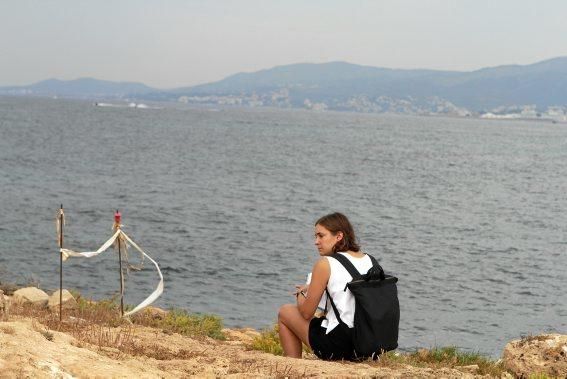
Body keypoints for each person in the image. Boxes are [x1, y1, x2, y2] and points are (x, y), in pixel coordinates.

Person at [277, 212, 374, 360]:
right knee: (324, 318)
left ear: (339, 236)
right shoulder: (369, 260)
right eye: (315, 236)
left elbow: (306, 313)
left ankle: (293, 364)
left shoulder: (325, 263)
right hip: (368, 345)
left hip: (340, 346)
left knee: (285, 311)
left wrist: (301, 295)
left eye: (321, 236)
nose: (316, 241)